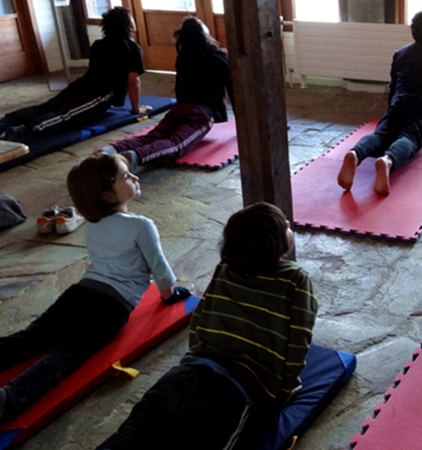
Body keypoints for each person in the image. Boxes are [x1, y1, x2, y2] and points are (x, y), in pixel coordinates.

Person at [100, 202, 317, 450]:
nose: (291, 227)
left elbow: (200, 319)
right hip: (229, 395)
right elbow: (298, 342)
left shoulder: (225, 267)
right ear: (276, 245)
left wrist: (194, 357)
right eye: (287, 226)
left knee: (131, 436)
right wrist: (279, 395)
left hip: (183, 375)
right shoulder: (296, 279)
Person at [0, 153, 188, 423]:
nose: (135, 177)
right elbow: (160, 269)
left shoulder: (93, 223)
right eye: (126, 176)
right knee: (68, 353)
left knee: (32, 337)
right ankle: (8, 399)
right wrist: (169, 295)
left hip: (78, 293)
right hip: (110, 308)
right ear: (108, 196)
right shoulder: (142, 226)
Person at [336, 8, 422, 195]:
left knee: (381, 135)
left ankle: (355, 153)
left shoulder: (401, 53)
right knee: (409, 138)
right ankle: (387, 161)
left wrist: (392, 115)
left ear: (413, 32)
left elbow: (392, 89)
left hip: (399, 101)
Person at [99, 16, 233, 171]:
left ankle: (112, 149)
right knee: (176, 145)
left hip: (178, 109)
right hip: (200, 114)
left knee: (152, 137)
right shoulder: (220, 59)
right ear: (205, 36)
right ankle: (136, 156)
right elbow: (233, 91)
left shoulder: (183, 58)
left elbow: (180, 89)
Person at [0, 7, 149, 142]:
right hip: (99, 93)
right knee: (65, 116)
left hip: (80, 85)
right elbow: (133, 81)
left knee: (46, 107)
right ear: (129, 27)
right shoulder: (132, 48)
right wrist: (136, 109)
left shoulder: (98, 44)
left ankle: (5, 122)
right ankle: (22, 132)